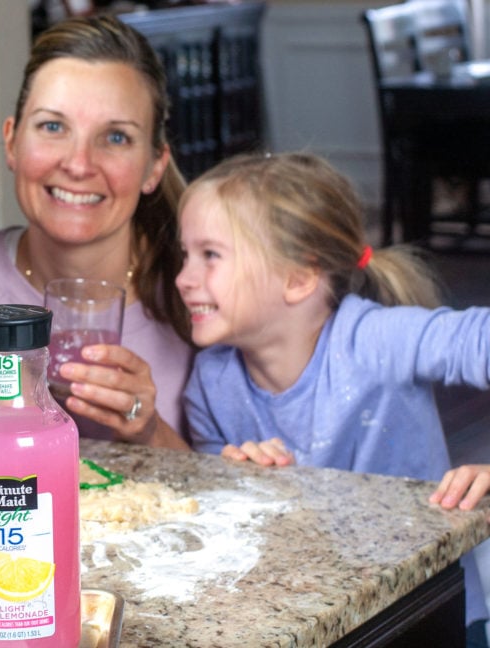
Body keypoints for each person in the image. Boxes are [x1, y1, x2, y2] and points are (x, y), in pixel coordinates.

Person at [175, 150, 490, 633]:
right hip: (315, 621)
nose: (183, 278)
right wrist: (238, 473)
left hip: (427, 611)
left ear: (299, 278)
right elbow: (222, 504)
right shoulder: (212, 381)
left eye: (210, 255)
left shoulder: (376, 340)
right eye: (185, 255)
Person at [0, 15, 193, 448]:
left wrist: (148, 428)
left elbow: (246, 491)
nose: (78, 163)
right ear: (12, 142)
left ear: (155, 166)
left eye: (115, 137)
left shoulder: (198, 292)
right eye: (53, 127)